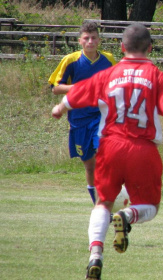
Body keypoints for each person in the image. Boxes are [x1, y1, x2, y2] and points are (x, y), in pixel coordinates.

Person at [51, 23, 163, 280]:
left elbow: (76, 94)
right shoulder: (155, 76)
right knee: (150, 206)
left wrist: (60, 107)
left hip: (109, 147)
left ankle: (95, 255)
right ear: (150, 48)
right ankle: (127, 215)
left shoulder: (108, 74)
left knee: (103, 203)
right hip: (142, 149)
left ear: (122, 47)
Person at [48, 21, 116, 205]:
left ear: (99, 40)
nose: (90, 41)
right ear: (80, 41)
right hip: (78, 119)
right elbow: (55, 88)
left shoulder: (108, 60)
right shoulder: (71, 60)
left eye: (94, 38)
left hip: (101, 116)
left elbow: (116, 84)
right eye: (86, 38)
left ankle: (110, 199)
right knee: (89, 164)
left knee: (106, 154)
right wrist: (78, 88)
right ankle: (98, 204)